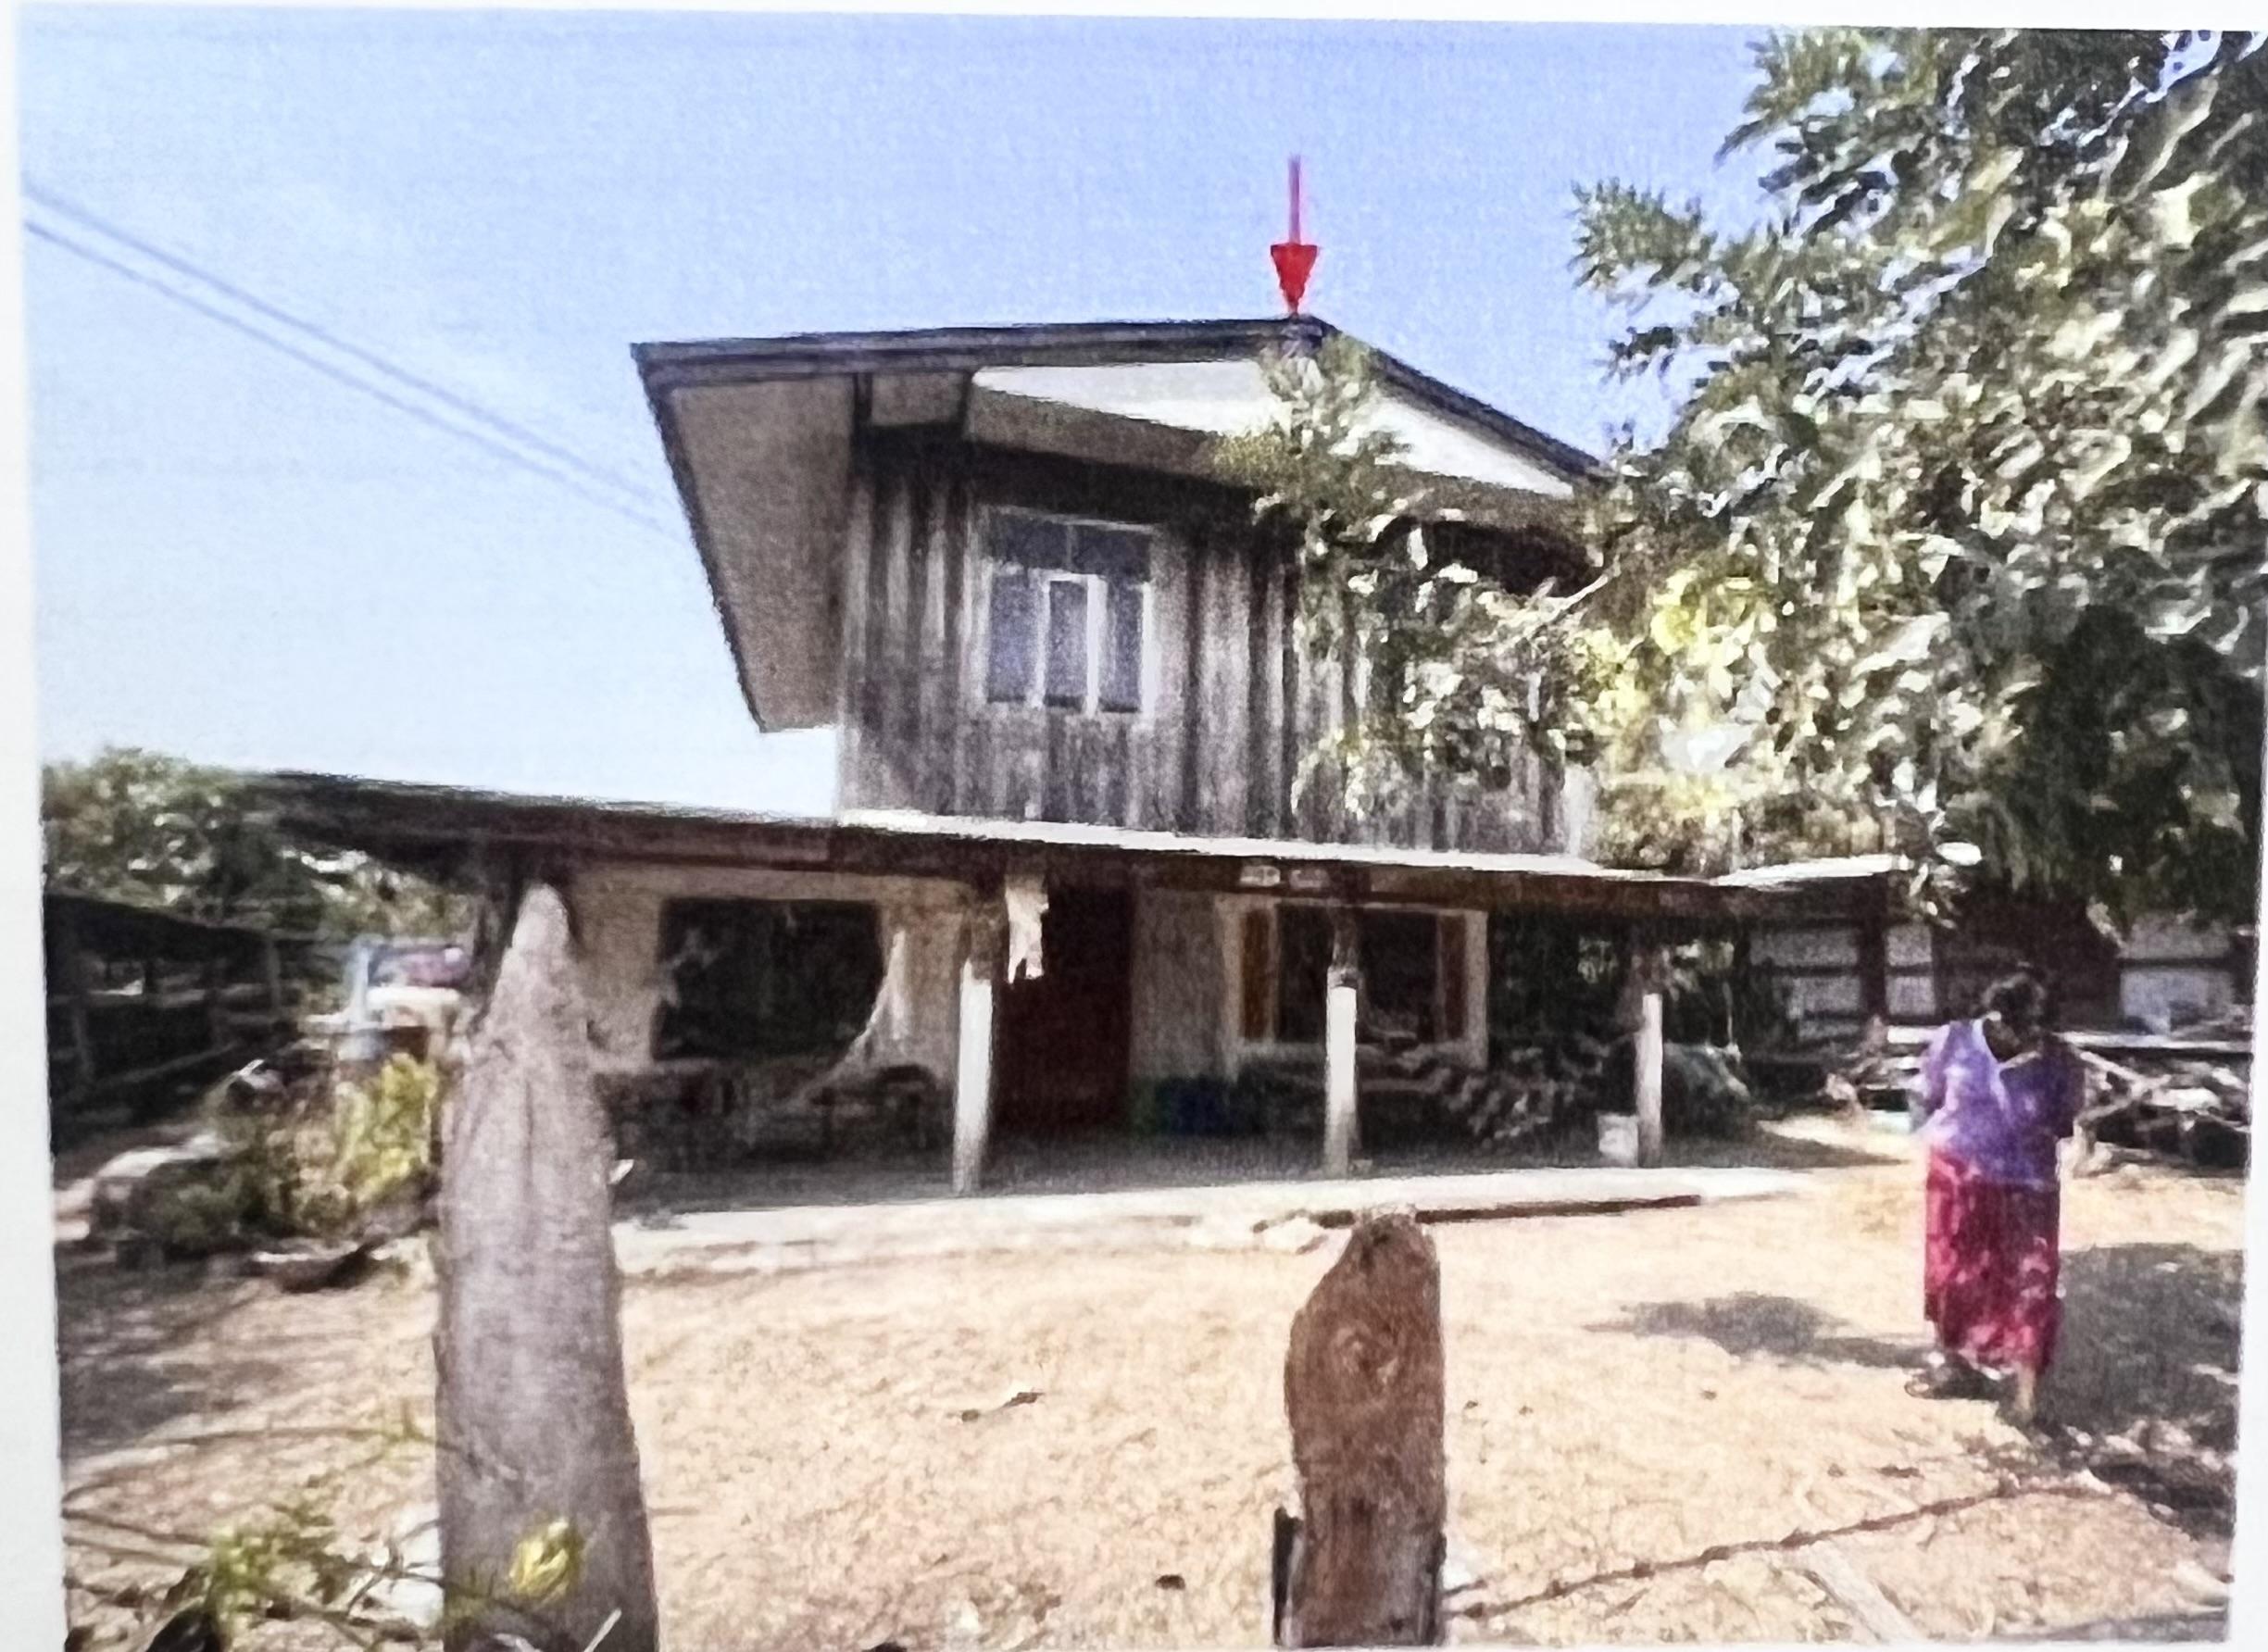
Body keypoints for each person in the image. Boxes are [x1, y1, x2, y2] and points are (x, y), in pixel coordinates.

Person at [1906, 965, 2086, 1423]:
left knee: (2031, 1282)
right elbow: (1926, 1094)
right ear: (1997, 1016)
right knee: (1951, 1276)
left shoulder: (2060, 1060)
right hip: (1956, 1176)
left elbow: (2065, 1121)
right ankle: (1954, 1366)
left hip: (2027, 1186)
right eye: (2020, 1029)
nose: (2028, 1040)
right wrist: (1935, 1137)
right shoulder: (1954, 1041)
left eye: (2038, 1031)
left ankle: (2026, 1399)